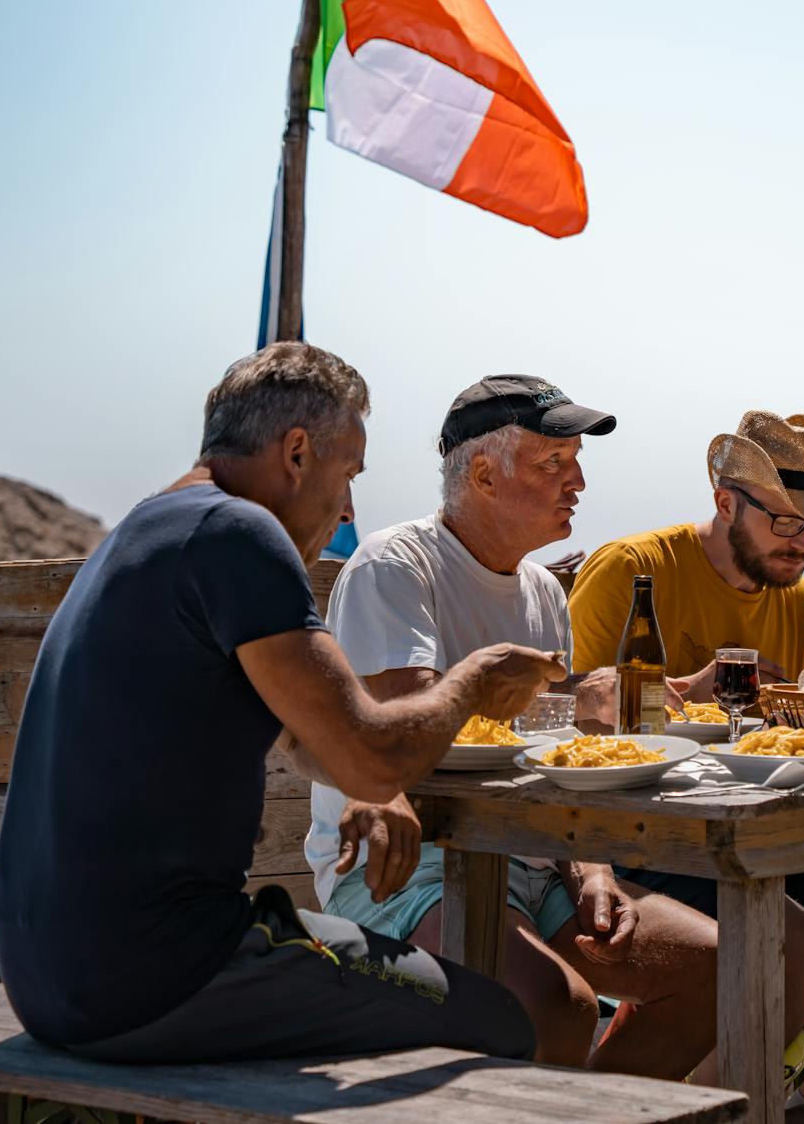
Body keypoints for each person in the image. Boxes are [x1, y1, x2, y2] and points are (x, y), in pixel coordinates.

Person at [0, 344, 566, 1064]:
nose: (350, 506)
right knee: (510, 1022)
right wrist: (476, 680)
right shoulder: (239, 533)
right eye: (348, 473)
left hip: (48, 971)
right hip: (157, 972)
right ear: (297, 452)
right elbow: (370, 759)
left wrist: (361, 771)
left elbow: (313, 739)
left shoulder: (153, 525)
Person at [304, 375, 731, 1079]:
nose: (579, 481)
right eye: (553, 464)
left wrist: (590, 866)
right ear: (482, 474)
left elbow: (552, 752)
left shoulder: (539, 590)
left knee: (719, 968)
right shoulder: (395, 565)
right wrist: (563, 707)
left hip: (534, 860)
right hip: (412, 865)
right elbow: (403, 740)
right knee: (556, 1005)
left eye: (576, 461)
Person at [568, 410, 804, 1106]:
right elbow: (573, 725)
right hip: (652, 844)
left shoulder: (803, 602)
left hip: (782, 838)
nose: (802, 542)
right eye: (785, 520)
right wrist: (689, 688)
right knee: (801, 953)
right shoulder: (632, 571)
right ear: (725, 501)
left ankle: (772, 1104)